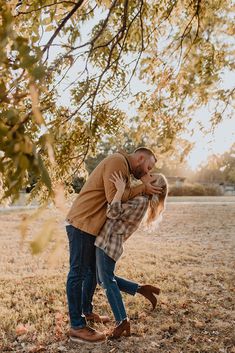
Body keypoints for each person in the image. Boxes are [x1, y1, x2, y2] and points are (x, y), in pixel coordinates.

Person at [65, 147, 162, 344]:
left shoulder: (125, 170)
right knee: (78, 272)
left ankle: (87, 311)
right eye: (148, 167)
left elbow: (122, 195)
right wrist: (142, 188)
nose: (147, 173)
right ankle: (77, 326)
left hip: (93, 226)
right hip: (83, 222)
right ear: (140, 158)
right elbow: (113, 198)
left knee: (92, 271)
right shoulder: (118, 162)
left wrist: (137, 189)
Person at [95, 171, 168, 339]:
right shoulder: (139, 198)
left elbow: (112, 213)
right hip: (106, 241)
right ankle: (142, 289)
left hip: (109, 243)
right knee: (103, 279)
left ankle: (122, 321)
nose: (147, 175)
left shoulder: (141, 201)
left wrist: (120, 191)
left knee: (107, 281)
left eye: (151, 177)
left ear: (155, 188)